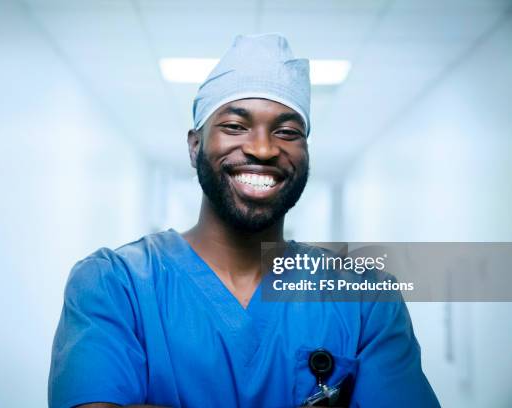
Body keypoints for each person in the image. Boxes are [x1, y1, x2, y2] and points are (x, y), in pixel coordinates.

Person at [48, 33, 440, 408]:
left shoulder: (365, 298)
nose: (263, 148)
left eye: (287, 131)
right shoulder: (115, 284)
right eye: (235, 126)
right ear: (195, 145)